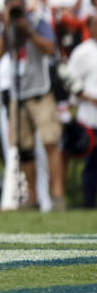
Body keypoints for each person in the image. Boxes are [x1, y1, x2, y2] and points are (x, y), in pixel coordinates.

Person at [0, 0, 65, 210]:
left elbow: (51, 49)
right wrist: (7, 27)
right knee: (24, 149)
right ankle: (31, 199)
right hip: (18, 94)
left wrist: (29, 31)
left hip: (40, 92)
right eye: (11, 9)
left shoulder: (37, 22)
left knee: (50, 142)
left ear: (25, 8)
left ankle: (58, 196)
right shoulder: (7, 29)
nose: (15, 14)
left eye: (17, 9)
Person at [64, 15, 97, 207]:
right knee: (91, 166)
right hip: (90, 117)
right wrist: (90, 98)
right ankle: (88, 205)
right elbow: (70, 82)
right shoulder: (82, 52)